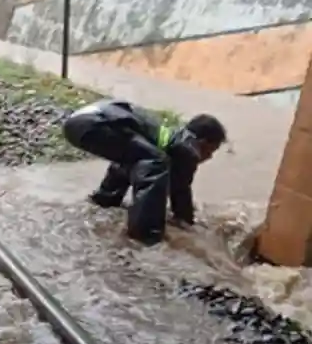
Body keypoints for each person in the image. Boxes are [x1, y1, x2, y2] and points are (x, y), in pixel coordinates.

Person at [61, 99, 227, 246]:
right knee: (156, 161)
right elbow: (181, 190)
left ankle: (105, 201)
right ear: (203, 143)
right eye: (212, 150)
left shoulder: (166, 137)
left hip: (79, 122)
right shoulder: (187, 150)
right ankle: (146, 236)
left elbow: (125, 163)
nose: (209, 157)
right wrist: (187, 225)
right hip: (97, 123)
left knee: (138, 159)